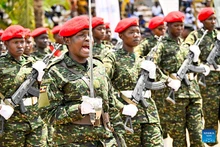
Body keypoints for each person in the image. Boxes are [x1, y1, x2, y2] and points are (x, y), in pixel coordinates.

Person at [39, 15, 131, 147]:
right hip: (73, 141)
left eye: (89, 35)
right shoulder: (54, 72)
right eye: (81, 35)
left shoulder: (98, 67)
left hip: (105, 140)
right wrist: (79, 109)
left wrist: (119, 137)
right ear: (67, 40)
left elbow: (110, 104)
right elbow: (47, 114)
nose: (88, 39)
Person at [103, 17, 163, 147]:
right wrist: (121, 107)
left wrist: (153, 73)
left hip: (149, 113)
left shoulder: (143, 60)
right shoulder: (112, 58)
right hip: (127, 115)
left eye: (138, 32)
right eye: (131, 32)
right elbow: (102, 85)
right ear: (121, 35)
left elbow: (163, 81)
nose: (136, 35)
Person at [150, 11, 206, 147]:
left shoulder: (186, 46)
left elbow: (194, 66)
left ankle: (210, 143)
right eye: (176, 25)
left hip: (193, 92)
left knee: (198, 134)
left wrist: (197, 59)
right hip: (175, 96)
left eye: (181, 25)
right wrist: (167, 80)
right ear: (168, 26)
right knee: (179, 138)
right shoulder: (161, 46)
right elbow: (151, 67)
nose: (180, 29)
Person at [0, 25, 47, 146]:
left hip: (36, 120)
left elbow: (45, 91)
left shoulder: (33, 63)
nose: (20, 45)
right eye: (16, 42)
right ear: (6, 43)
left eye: (22, 42)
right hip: (12, 122)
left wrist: (42, 78)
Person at [182, 7, 220, 146]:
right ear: (203, 21)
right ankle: (209, 143)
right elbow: (185, 48)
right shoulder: (196, 35)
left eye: (214, 19)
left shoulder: (218, 35)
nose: (213, 21)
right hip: (208, 82)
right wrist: (196, 55)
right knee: (210, 116)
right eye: (210, 19)